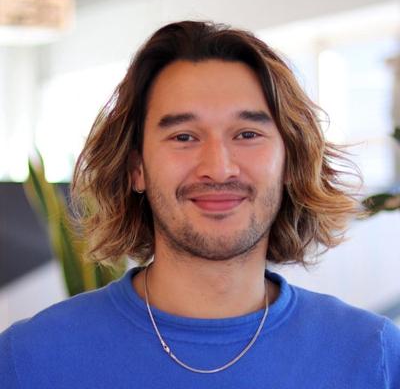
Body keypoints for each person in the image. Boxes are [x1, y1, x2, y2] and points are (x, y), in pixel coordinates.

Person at [1, 20, 399, 388]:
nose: (218, 168)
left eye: (247, 134)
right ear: (137, 168)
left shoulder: (375, 357)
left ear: (289, 162)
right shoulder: (27, 360)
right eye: (184, 137)